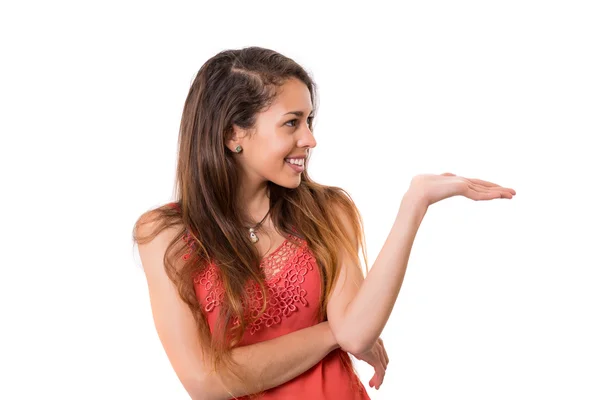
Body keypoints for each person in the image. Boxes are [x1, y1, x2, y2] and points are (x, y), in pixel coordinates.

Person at [132, 46, 516, 400]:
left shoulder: (327, 210)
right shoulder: (166, 234)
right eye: (292, 123)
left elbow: (357, 332)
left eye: (310, 120)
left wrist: (414, 204)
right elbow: (205, 381)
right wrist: (331, 333)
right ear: (235, 133)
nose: (310, 139)